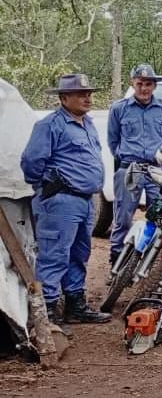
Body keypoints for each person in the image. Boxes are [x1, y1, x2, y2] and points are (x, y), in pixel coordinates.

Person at [20, 74, 111, 327]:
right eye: (81, 94)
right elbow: (31, 162)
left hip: (84, 200)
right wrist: (48, 186)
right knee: (54, 254)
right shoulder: (50, 125)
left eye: (89, 93)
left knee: (78, 254)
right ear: (63, 98)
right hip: (60, 200)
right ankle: (46, 315)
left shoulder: (88, 123)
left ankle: (75, 305)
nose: (87, 98)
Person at [106, 64, 162, 263]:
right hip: (129, 169)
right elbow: (113, 140)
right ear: (132, 83)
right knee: (123, 217)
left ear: (154, 86)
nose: (144, 88)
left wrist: (155, 157)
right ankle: (117, 258)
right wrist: (126, 157)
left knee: (158, 216)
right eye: (140, 83)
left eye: (149, 84)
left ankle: (149, 260)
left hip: (156, 170)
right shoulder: (119, 109)